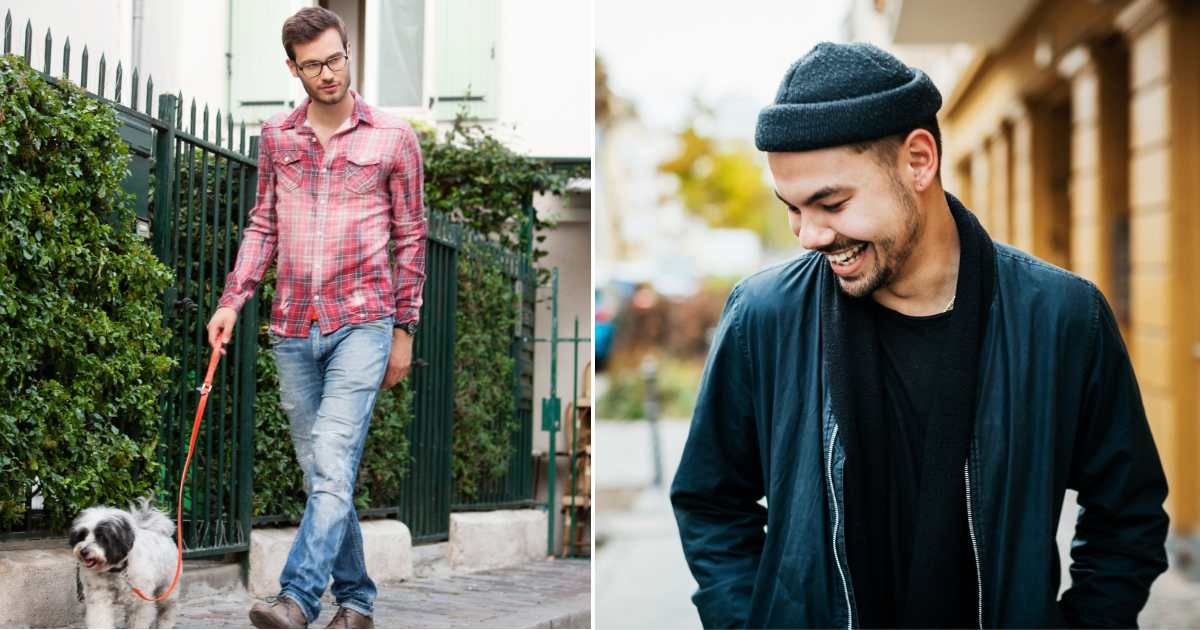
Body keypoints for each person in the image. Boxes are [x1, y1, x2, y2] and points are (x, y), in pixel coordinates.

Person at [669, 42, 1169, 629]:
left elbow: (1127, 513)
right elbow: (710, 502)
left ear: (918, 160)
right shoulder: (762, 316)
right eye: (793, 208)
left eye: (830, 203)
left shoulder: (1062, 316)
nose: (809, 235)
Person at [205, 7, 426, 629]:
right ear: (292, 68)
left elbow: (411, 238)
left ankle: (297, 598)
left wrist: (404, 332)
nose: (327, 74)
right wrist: (232, 300)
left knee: (330, 456)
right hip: (293, 325)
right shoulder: (276, 136)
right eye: (312, 65)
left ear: (348, 53)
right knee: (322, 471)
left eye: (335, 59)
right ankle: (356, 601)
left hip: (365, 322)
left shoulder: (392, 137)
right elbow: (263, 224)